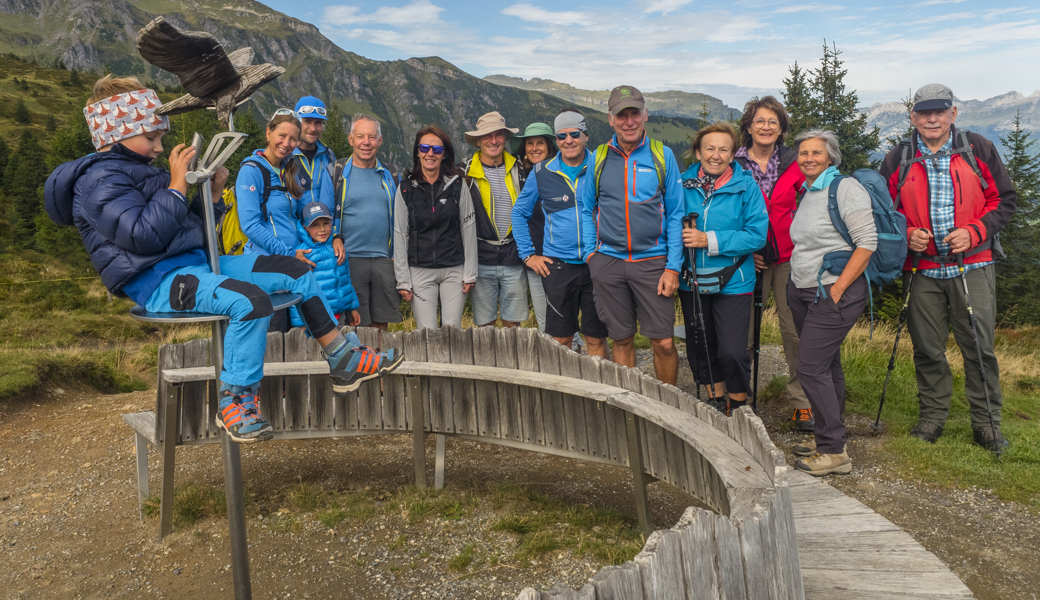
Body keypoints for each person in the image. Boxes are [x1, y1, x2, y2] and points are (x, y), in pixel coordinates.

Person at [45, 76, 401, 445]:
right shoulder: (99, 180)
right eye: (151, 138)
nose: (158, 146)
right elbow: (143, 236)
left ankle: (341, 358)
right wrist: (178, 185)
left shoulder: (140, 170)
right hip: (156, 281)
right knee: (249, 301)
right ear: (116, 134)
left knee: (296, 271)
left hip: (194, 264)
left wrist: (212, 197)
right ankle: (236, 398)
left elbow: (188, 229)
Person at [879, 84, 1016, 454]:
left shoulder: (978, 149)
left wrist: (975, 232)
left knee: (979, 347)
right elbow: (882, 212)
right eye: (924, 113)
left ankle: (987, 425)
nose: (932, 119)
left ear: (953, 114)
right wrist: (906, 233)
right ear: (913, 118)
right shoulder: (898, 158)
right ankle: (932, 418)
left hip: (973, 265)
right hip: (922, 269)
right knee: (926, 348)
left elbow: (1004, 199)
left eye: (940, 112)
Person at [787, 130, 876, 476]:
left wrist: (838, 288)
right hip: (805, 289)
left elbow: (866, 243)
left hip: (831, 292)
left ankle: (834, 452)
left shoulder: (845, 188)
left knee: (809, 367)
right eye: (803, 153)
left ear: (831, 157)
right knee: (827, 366)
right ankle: (829, 434)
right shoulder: (810, 191)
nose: (808, 158)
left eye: (816, 153)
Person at [580, 85, 683, 384]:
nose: (629, 121)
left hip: (653, 263)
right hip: (608, 262)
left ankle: (667, 408)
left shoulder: (662, 156)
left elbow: (676, 213)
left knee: (663, 342)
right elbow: (587, 208)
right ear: (610, 119)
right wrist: (591, 255)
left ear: (645, 115)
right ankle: (631, 407)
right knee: (621, 340)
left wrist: (673, 266)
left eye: (634, 113)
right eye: (621, 115)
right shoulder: (599, 158)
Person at [734, 96, 812, 430]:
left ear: (781, 129)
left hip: (788, 257)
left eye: (773, 122)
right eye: (759, 121)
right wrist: (746, 247)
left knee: (794, 331)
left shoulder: (796, 162)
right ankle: (740, 398)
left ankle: (802, 403)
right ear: (748, 126)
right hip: (746, 257)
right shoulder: (732, 164)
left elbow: (813, 206)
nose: (766, 127)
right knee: (743, 332)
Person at [679, 122, 768, 415]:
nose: (715, 155)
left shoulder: (746, 186)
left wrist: (708, 240)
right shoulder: (681, 185)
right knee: (701, 345)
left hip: (735, 280)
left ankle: (740, 406)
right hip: (691, 279)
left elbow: (757, 235)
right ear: (698, 152)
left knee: (731, 349)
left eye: (723, 149)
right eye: (709, 148)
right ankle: (718, 403)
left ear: (732, 155)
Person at [512, 110, 609, 358]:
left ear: (585, 135)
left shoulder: (601, 164)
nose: (569, 140)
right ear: (556, 140)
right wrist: (528, 255)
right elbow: (519, 213)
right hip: (558, 266)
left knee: (596, 337)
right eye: (562, 136)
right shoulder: (541, 172)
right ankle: (568, 392)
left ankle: (597, 393)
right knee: (561, 338)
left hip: (596, 262)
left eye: (574, 134)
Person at [318, 114, 401, 330]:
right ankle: (361, 363)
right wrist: (335, 238)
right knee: (356, 321)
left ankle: (381, 361)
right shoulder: (336, 172)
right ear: (351, 139)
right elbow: (324, 215)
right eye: (361, 136)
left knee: (382, 321)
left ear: (380, 141)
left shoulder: (391, 174)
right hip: (350, 258)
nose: (366, 142)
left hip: (385, 258)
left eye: (372, 137)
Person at [393, 126, 477, 329]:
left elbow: (469, 227)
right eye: (425, 148)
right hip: (419, 270)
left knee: (452, 331)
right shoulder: (405, 188)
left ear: (444, 154)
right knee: (426, 333)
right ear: (417, 152)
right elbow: (400, 233)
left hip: (454, 269)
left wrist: (470, 273)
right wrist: (403, 280)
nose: (430, 153)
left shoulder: (458, 185)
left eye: (437, 150)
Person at [235, 108, 308, 332]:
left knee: (291, 333)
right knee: (274, 334)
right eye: (282, 136)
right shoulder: (251, 171)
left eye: (293, 139)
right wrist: (288, 254)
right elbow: (250, 225)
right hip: (265, 267)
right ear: (268, 133)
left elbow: (296, 217)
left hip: (289, 266)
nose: (287, 143)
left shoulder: (289, 170)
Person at [463, 111, 529, 328]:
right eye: (487, 136)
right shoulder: (464, 173)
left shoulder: (520, 168)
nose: (493, 140)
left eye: (498, 134)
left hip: (513, 255)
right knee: (485, 325)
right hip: (481, 259)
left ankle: (512, 363)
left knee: (514, 325)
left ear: (505, 137)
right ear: (479, 140)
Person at [511, 122, 558, 333]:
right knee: (547, 324)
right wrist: (528, 255)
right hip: (539, 260)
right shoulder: (529, 176)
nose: (534, 148)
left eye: (540, 143)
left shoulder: (556, 173)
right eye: (529, 143)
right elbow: (518, 214)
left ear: (550, 146)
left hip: (563, 258)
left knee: (560, 324)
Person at [290, 201, 361, 328]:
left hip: (339, 316)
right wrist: (299, 323)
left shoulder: (339, 248)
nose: (322, 229)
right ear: (305, 227)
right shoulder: (303, 253)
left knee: (340, 346)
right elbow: (296, 290)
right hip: (316, 319)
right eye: (315, 225)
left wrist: (352, 308)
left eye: (326, 223)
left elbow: (346, 281)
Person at [292, 95, 337, 209]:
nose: (313, 128)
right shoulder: (286, 156)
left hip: (324, 224)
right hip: (294, 225)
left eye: (318, 122)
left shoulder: (329, 157)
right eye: (307, 121)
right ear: (297, 122)